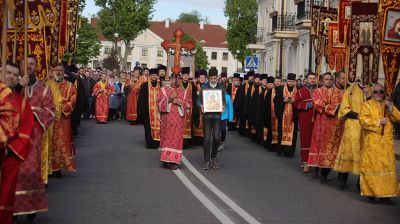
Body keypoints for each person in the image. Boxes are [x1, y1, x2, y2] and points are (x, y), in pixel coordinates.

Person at [14, 56, 55, 223]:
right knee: (14, 171)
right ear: (20, 65)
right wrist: (18, 86)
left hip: (33, 136)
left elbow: (51, 110)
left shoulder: (43, 88)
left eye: (32, 64)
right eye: (26, 63)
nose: (29, 66)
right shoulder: (13, 86)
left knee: (31, 171)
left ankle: (31, 208)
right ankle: (14, 209)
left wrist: (33, 118)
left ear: (37, 67)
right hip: (14, 136)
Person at [0, 62, 32, 224]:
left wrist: (9, 150)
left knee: (4, 198)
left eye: (15, 75)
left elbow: (27, 130)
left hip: (8, 156)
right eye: (8, 73)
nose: (11, 77)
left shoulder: (22, 102)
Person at [359, 83, 400, 203]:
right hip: (372, 141)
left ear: (384, 93)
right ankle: (371, 193)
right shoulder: (367, 104)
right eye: (376, 92)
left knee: (386, 167)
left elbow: (397, 118)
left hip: (386, 143)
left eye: (381, 92)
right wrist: (378, 121)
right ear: (372, 92)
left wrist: (391, 109)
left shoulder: (388, 104)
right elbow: (363, 120)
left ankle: (385, 195)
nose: (378, 94)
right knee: (372, 167)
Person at [308, 72, 345, 184]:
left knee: (331, 148)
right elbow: (317, 104)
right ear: (322, 81)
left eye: (330, 79)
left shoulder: (338, 92)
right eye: (326, 79)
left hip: (334, 125)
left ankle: (326, 172)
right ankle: (318, 168)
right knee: (320, 146)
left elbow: (341, 104)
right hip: (321, 124)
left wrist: (330, 106)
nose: (328, 81)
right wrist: (332, 107)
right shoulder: (317, 91)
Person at [334, 78, 370, 190]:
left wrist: (368, 95)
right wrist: (359, 116)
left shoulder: (374, 90)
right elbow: (344, 108)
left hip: (368, 127)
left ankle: (361, 184)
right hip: (352, 126)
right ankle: (342, 179)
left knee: (365, 155)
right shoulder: (350, 90)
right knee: (347, 152)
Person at [157, 75, 191, 170]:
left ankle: (173, 162)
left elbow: (188, 104)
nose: (176, 81)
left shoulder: (184, 92)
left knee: (176, 140)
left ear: (180, 80)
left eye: (178, 79)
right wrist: (170, 98)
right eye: (174, 79)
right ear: (170, 79)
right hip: (167, 120)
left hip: (178, 121)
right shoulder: (164, 90)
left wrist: (179, 101)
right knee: (166, 139)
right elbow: (158, 103)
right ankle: (165, 159)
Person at [197, 68, 226, 170]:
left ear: (217, 77)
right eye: (211, 78)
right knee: (207, 140)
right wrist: (201, 106)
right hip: (207, 117)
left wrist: (222, 106)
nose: (213, 80)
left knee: (217, 138)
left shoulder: (221, 87)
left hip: (217, 116)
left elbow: (223, 101)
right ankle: (206, 161)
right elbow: (199, 101)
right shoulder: (204, 87)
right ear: (208, 78)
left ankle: (214, 158)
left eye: (215, 78)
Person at [51, 65, 77, 176]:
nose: (59, 72)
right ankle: (48, 169)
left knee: (61, 143)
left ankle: (58, 168)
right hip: (49, 119)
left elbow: (73, 100)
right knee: (49, 142)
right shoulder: (48, 84)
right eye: (56, 70)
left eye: (61, 70)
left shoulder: (70, 86)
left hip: (62, 118)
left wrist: (61, 109)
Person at [41, 66, 62, 183]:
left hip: (45, 122)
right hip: (29, 122)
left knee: (45, 148)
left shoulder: (52, 84)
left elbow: (57, 103)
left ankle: (44, 176)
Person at [294, 72, 317, 172]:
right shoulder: (301, 91)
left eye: (313, 78)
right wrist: (307, 105)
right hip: (305, 119)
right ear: (307, 79)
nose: (312, 80)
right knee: (305, 139)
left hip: (316, 119)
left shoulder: (318, 91)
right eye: (310, 78)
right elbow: (296, 103)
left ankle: (313, 161)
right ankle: (305, 162)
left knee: (315, 140)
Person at [274, 73, 298, 157]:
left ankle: (290, 152)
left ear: (295, 81)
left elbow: (299, 101)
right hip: (283, 114)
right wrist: (284, 100)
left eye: (292, 81)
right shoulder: (281, 89)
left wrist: (294, 101)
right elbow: (275, 100)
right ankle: (281, 150)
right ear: (287, 81)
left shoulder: (297, 89)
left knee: (292, 134)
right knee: (281, 133)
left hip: (293, 116)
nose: (291, 83)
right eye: (289, 81)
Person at [137, 68, 161, 149]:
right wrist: (140, 112)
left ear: (157, 76)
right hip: (147, 111)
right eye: (152, 75)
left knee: (159, 127)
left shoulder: (161, 86)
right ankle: (149, 143)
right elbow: (140, 100)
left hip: (158, 112)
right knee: (148, 128)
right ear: (150, 76)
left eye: (155, 75)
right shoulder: (144, 86)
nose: (154, 76)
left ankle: (157, 142)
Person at [180, 67, 197, 147]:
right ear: (182, 75)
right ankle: (180, 141)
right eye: (184, 75)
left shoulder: (192, 85)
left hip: (189, 108)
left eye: (187, 75)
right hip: (179, 108)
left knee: (188, 124)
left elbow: (194, 98)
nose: (186, 76)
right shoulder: (178, 84)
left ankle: (187, 142)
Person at [192, 70, 207, 146]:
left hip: (205, 108)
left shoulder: (207, 86)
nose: (202, 79)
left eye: (203, 77)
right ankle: (195, 140)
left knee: (204, 125)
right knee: (196, 123)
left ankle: (203, 141)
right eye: (201, 77)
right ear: (198, 78)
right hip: (197, 108)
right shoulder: (194, 86)